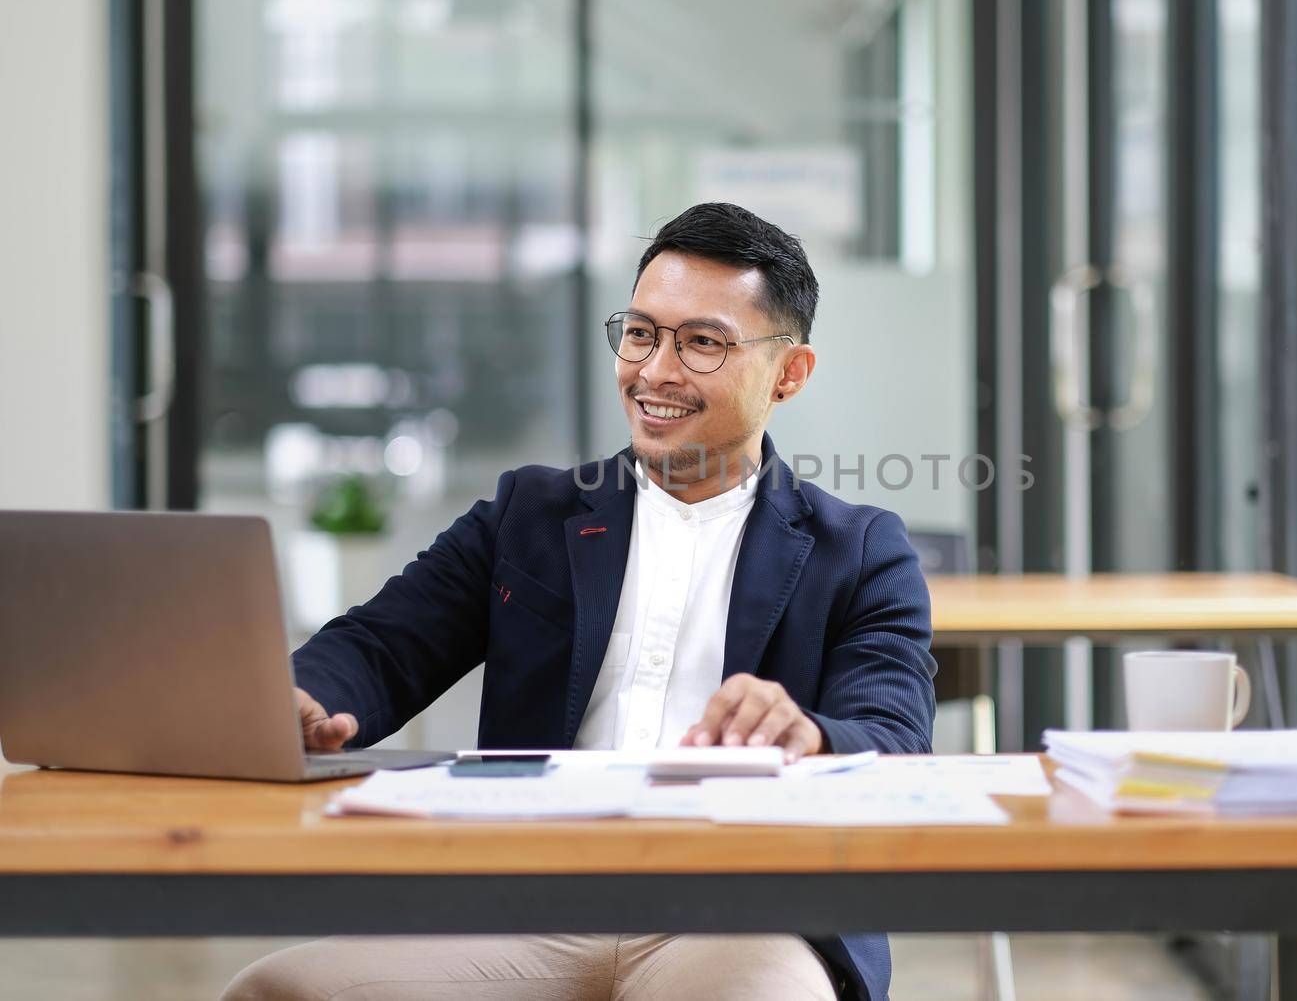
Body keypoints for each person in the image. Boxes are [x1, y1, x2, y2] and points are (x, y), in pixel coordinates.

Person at [223, 201, 936, 1001]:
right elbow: (383, 642)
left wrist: (808, 734)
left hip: (747, 910)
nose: (656, 371)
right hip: (530, 901)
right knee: (277, 989)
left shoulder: (862, 549)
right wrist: (301, 697)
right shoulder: (529, 515)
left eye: (702, 342)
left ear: (789, 373)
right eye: (640, 333)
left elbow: (894, 739)